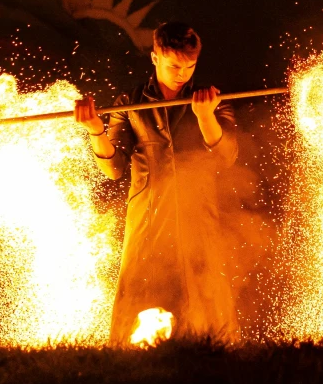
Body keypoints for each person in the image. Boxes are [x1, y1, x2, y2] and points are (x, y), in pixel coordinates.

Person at [74, 22, 240, 345]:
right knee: (140, 297)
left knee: (205, 303)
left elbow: (227, 156)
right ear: (154, 58)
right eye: (174, 65)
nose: (183, 74)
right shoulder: (130, 103)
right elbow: (113, 168)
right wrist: (96, 129)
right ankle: (129, 360)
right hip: (147, 220)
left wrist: (206, 117)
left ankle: (214, 362)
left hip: (197, 217)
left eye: (190, 66)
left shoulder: (213, 99)